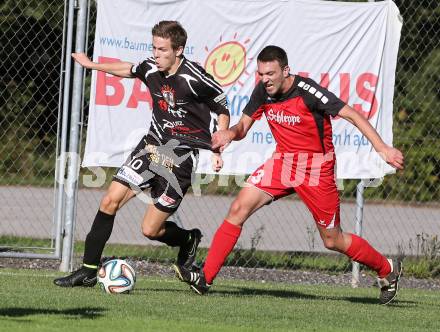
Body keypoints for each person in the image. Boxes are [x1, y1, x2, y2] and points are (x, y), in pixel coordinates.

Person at [173, 45, 404, 305]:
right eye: (261, 74)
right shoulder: (263, 91)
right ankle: (205, 279)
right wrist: (230, 134)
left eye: (270, 73)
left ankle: (387, 269)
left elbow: (351, 115)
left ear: (286, 70)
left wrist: (381, 147)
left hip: (316, 169)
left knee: (332, 239)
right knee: (238, 208)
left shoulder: (308, 91)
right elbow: (243, 127)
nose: (265, 79)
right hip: (283, 163)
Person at [54, 21, 230, 287]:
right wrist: (92, 65)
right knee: (109, 201)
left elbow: (222, 106)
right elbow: (128, 69)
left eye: (162, 50)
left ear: (178, 50)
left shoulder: (195, 78)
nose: (156, 54)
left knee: (150, 230)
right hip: (151, 147)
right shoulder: (150, 67)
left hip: (179, 160)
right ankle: (88, 269)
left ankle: (188, 239)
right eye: (154, 48)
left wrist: (218, 142)